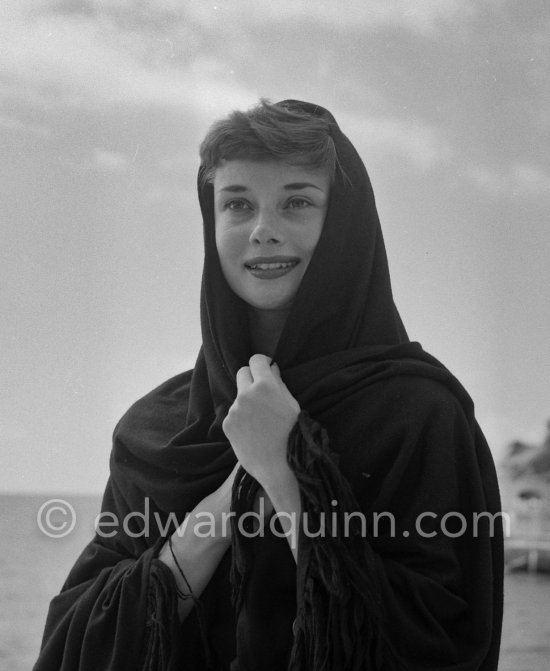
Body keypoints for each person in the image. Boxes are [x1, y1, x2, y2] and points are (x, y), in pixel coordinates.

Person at [34, 99, 503, 670]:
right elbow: (70, 647)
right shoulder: (152, 427)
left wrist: (284, 473)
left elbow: (439, 646)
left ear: (344, 225)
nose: (262, 231)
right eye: (237, 204)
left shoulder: (418, 412)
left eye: (297, 202)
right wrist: (223, 507)